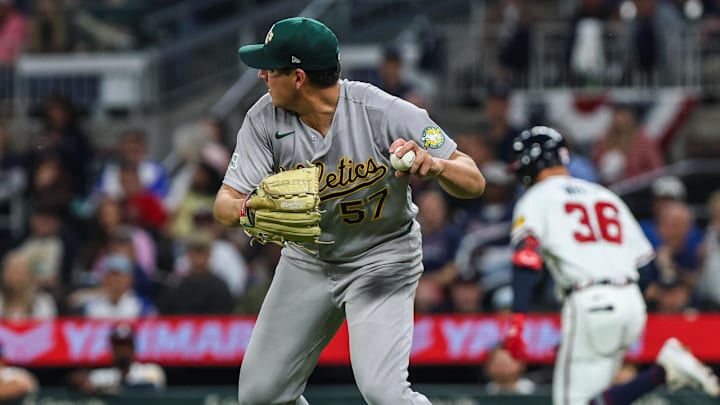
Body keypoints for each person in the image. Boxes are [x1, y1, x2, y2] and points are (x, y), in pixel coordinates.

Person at [213, 17, 485, 405]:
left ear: (299, 77)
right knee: (260, 396)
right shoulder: (262, 119)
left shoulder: (383, 111)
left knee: (383, 392)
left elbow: (474, 179)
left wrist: (438, 165)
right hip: (308, 259)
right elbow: (224, 203)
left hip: (382, 256)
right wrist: (247, 208)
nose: (261, 75)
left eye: (271, 68)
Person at [502, 126, 719, 405]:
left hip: (590, 300)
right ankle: (661, 372)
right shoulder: (606, 195)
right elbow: (646, 268)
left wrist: (518, 316)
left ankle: (664, 370)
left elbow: (526, 257)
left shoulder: (536, 197)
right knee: (596, 401)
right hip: (630, 305)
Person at [69, 323, 165, 394]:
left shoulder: (151, 371)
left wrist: (111, 388)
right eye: (118, 346)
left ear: (133, 348)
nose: (122, 350)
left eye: (126, 345)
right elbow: (76, 379)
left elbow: (152, 386)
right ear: (112, 349)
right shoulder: (102, 376)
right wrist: (81, 381)